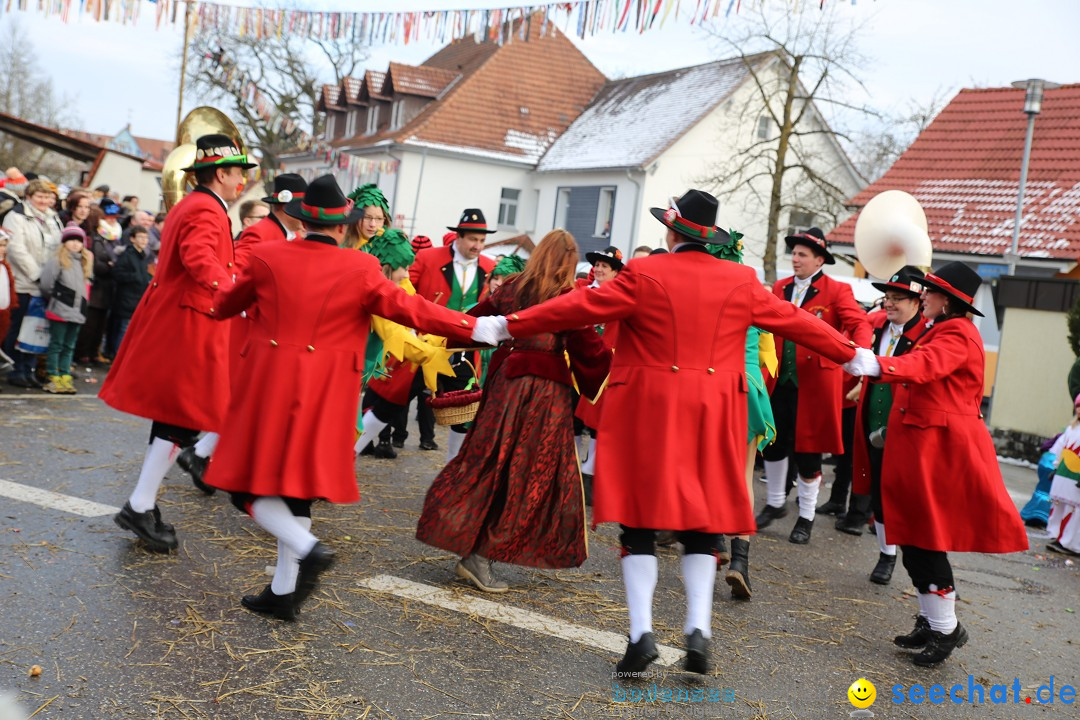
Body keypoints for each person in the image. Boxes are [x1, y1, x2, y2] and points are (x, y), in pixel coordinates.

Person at [478, 189, 859, 675]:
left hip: (650, 409)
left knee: (639, 522)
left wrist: (508, 325)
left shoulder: (645, 272)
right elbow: (797, 321)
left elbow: (574, 310)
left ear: (673, 231)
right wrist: (853, 355)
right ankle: (698, 630)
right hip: (716, 411)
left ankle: (641, 635)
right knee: (701, 522)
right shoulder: (741, 279)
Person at [202, 174, 483, 620]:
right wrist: (476, 327)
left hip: (270, 387)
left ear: (302, 219)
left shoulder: (268, 256)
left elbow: (224, 305)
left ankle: (307, 549)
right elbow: (413, 310)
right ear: (340, 226)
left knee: (242, 487)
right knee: (296, 492)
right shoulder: (362, 268)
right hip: (328, 396)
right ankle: (283, 591)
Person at [844, 261, 1028, 666]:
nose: (922, 294)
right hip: (921, 446)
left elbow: (924, 367)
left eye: (929, 290)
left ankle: (946, 629)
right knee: (912, 537)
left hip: (939, 450)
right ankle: (932, 619)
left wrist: (876, 364)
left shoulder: (958, 333)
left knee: (925, 539)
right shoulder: (939, 329)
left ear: (948, 300)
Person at [416, 229, 609, 591]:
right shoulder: (568, 297)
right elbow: (590, 351)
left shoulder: (514, 286)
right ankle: (480, 555)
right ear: (569, 262)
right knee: (527, 474)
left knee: (487, 460)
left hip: (504, 385)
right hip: (544, 397)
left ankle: (460, 533)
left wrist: (440, 334)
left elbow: (474, 322)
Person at [101, 133, 256, 552]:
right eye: (239, 172)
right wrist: (230, 292)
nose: (242, 179)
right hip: (191, 322)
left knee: (177, 419)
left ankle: (141, 502)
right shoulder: (206, 208)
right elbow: (200, 257)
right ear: (221, 173)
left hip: (189, 318)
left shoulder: (201, 205)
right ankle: (139, 504)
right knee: (181, 418)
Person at [756, 227, 872, 544]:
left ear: (819, 260)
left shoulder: (837, 291)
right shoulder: (780, 287)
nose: (795, 259)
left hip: (816, 383)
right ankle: (776, 503)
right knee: (774, 442)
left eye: (802, 254)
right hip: (779, 378)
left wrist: (861, 354)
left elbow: (859, 323)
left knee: (809, 451)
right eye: (793, 253)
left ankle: (805, 516)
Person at [707, 230, 778, 600]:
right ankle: (741, 561)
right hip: (749, 386)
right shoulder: (752, 290)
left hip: (714, 385)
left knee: (708, 469)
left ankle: (714, 541)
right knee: (743, 475)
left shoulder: (708, 290)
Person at [844, 267, 927, 585]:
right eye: (887, 297)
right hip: (872, 419)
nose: (889, 304)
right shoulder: (880, 328)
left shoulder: (924, 336)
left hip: (905, 427)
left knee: (902, 496)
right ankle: (886, 554)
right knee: (878, 492)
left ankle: (918, 562)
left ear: (917, 302)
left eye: (897, 299)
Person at [354, 228, 454, 458]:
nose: (408, 274)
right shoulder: (375, 289)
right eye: (405, 267)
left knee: (382, 408)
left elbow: (414, 307)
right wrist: (429, 354)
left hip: (372, 365)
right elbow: (393, 333)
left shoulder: (400, 284)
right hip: (357, 364)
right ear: (388, 266)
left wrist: (438, 335)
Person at [410, 209, 497, 461]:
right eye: (472, 239)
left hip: (464, 351)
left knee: (463, 413)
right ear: (457, 237)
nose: (477, 246)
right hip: (424, 345)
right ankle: (348, 455)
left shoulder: (489, 267)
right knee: (391, 403)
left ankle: (451, 471)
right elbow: (406, 293)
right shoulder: (428, 258)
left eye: (481, 241)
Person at [2, 178, 63, 388]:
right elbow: (16, 249)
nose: (44, 200)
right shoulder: (16, 217)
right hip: (24, 282)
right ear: (29, 196)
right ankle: (15, 369)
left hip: (46, 285)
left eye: (48, 196)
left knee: (36, 329)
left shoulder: (53, 218)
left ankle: (29, 368)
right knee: (18, 328)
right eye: (40, 196)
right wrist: (37, 274)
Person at [577, 245, 624, 502]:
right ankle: (573, 466)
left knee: (598, 422)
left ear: (616, 272)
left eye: (605, 266)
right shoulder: (584, 292)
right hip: (575, 360)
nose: (598, 269)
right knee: (574, 418)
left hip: (605, 364)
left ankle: (589, 473)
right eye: (597, 265)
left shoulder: (621, 298)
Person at [38, 226, 92, 394]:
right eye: (72, 240)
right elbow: (46, 285)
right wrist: (59, 298)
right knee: (57, 344)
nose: (75, 244)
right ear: (64, 242)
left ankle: (65, 374)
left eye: (79, 241)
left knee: (69, 346)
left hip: (77, 312)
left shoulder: (84, 263)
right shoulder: (57, 261)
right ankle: (53, 375)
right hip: (60, 309)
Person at [1043, 396, 1080, 557]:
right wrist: (1055, 467)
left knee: (1073, 510)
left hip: (1075, 477)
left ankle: (1071, 542)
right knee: (1058, 505)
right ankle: (1057, 534)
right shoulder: (1071, 428)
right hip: (1063, 475)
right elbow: (1060, 448)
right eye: (1078, 406)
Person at [110, 226, 152, 354]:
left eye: (146, 238)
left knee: (131, 330)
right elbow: (117, 273)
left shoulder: (143, 257)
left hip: (137, 298)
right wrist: (135, 277)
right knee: (124, 329)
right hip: (126, 298)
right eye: (140, 237)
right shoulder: (127, 255)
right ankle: (118, 355)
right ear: (132, 239)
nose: (144, 240)